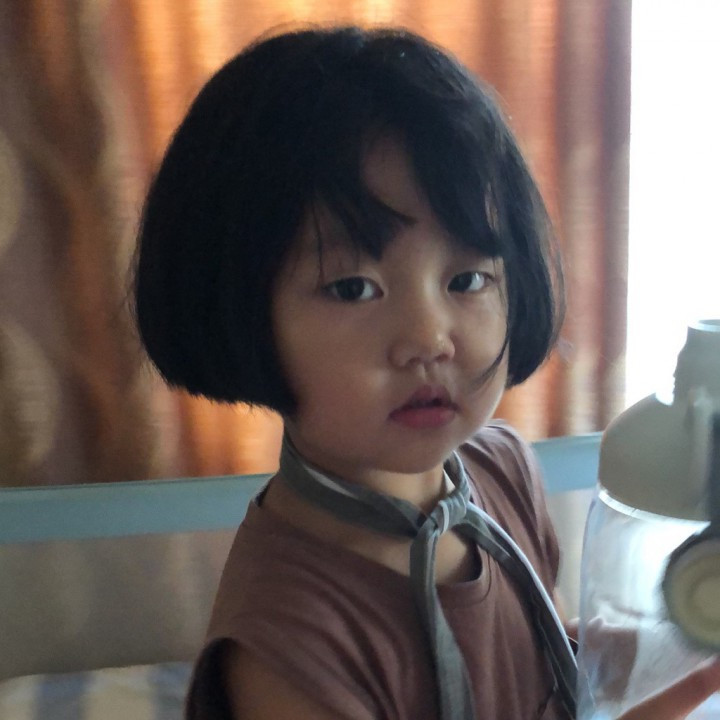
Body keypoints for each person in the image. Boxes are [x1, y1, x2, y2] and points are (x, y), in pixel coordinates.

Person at [133, 25, 720, 720]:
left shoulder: (502, 469)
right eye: (352, 288)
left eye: (467, 279)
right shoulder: (287, 646)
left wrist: (687, 643)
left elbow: (551, 661)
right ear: (236, 307)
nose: (428, 339)